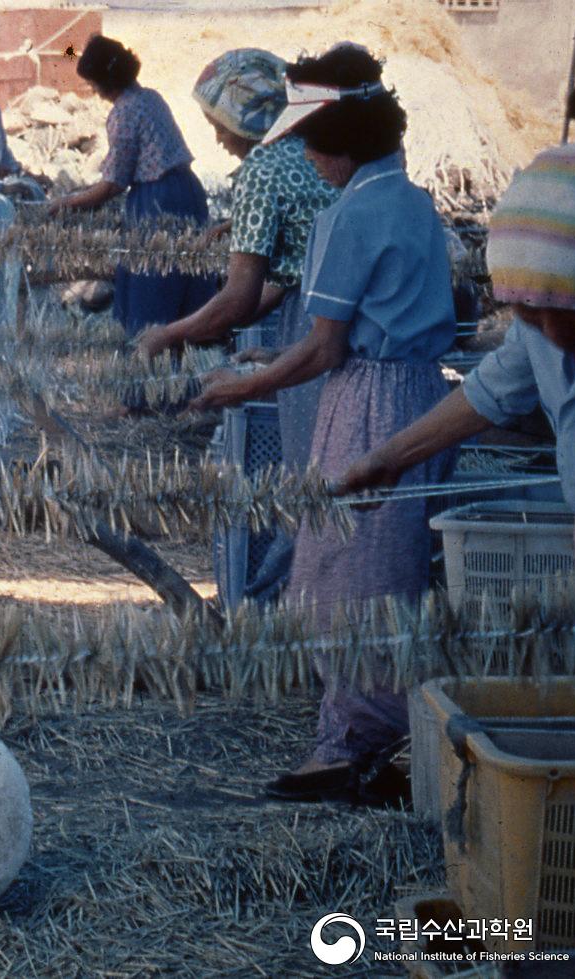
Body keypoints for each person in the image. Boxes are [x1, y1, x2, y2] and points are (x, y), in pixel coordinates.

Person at [193, 46, 457, 803]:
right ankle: (361, 736)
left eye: (312, 142)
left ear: (339, 141)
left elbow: (323, 347)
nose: (308, 157)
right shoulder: (410, 197)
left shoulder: (353, 212)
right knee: (382, 571)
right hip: (414, 389)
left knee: (349, 576)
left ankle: (358, 748)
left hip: (370, 399)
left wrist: (245, 386)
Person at [137, 50, 339, 601]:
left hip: (314, 327)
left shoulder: (262, 170)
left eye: (218, 125)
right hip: (341, 319)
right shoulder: (312, 153)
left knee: (304, 481)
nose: (219, 139)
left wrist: (168, 334)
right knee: (329, 477)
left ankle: (271, 606)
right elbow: (298, 254)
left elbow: (238, 299)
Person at [340, 141, 575, 581]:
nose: (551, 333)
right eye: (529, 313)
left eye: (571, 314)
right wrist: (391, 457)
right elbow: (492, 390)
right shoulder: (539, 326)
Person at [50, 35, 215, 337]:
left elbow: (112, 184)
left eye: (93, 85)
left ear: (104, 83)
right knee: (187, 282)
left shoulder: (124, 112)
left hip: (157, 201)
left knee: (155, 288)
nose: (95, 92)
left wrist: (66, 203)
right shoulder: (150, 97)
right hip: (187, 191)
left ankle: (154, 359)